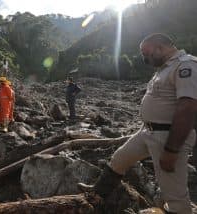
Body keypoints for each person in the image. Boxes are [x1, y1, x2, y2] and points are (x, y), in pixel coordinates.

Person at [78, 33, 197, 213]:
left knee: (174, 194)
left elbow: (187, 108)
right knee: (119, 159)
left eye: (146, 53)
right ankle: (96, 195)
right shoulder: (164, 68)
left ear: (160, 47)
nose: (144, 58)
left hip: (168, 136)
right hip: (147, 131)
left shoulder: (185, 65)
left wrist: (171, 150)